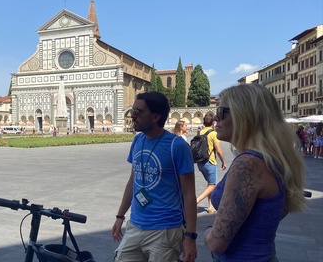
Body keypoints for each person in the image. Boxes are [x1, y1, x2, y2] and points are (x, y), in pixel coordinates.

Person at [204, 84, 306, 261]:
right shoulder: (273, 158)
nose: (214, 119)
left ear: (245, 115)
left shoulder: (249, 163)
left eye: (220, 112)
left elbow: (216, 243)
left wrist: (207, 233)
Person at [112, 91, 197, 262]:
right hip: (135, 225)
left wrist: (190, 237)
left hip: (165, 231)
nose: (133, 116)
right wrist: (120, 216)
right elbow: (132, 182)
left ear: (156, 116)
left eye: (139, 112)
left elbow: (189, 194)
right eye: (133, 110)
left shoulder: (177, 145)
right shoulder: (137, 141)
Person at [196, 114, 227, 214]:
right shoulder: (213, 133)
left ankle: (211, 206)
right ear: (213, 123)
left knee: (209, 184)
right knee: (212, 185)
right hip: (210, 162)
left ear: (203, 123)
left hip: (200, 162)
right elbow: (218, 150)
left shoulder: (199, 132)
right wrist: (223, 162)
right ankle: (196, 201)